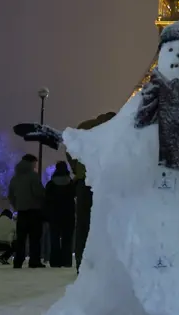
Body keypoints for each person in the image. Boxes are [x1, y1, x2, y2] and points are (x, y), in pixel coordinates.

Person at [67, 111, 115, 274]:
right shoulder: (114, 129)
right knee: (104, 223)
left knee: (82, 224)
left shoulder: (84, 127)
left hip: (83, 181)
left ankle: (81, 264)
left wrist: (76, 169)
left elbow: (69, 148)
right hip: (103, 181)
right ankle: (102, 267)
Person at [8, 153, 45, 268]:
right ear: (31, 162)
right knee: (35, 238)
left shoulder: (15, 177)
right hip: (34, 210)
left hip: (21, 211)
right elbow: (38, 193)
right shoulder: (33, 176)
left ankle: (18, 261)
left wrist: (17, 205)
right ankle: (34, 261)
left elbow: (10, 195)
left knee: (21, 238)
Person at [45, 161, 77, 267]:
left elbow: (46, 199)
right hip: (68, 214)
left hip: (54, 215)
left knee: (54, 238)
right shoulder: (71, 183)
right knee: (67, 238)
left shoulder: (51, 185)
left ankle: (55, 261)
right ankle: (66, 261)